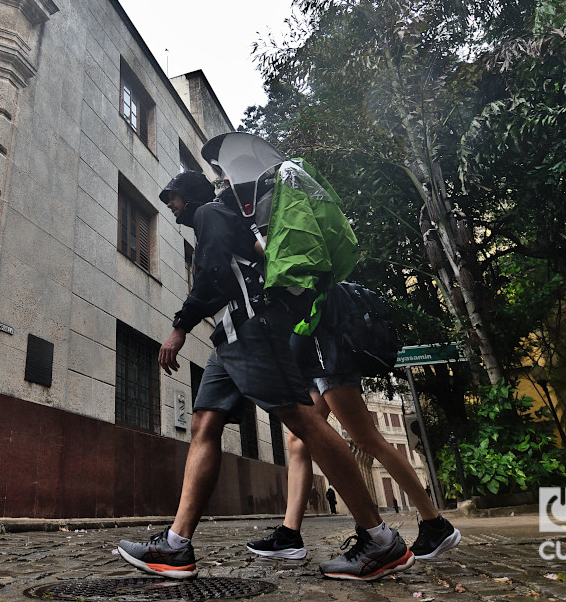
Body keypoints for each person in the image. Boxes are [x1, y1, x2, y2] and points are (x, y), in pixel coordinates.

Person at [116, 140, 412, 582]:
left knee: (304, 421)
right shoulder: (222, 220)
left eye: (172, 197)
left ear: (191, 195)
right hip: (228, 333)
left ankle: (379, 538)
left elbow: (216, 272)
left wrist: (180, 325)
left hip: (250, 325)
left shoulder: (209, 214)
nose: (171, 206)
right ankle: (176, 546)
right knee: (204, 423)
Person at [251, 148, 460, 563]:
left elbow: (300, 278)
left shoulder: (303, 228)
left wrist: (262, 250)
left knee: (366, 438)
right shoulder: (298, 222)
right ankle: (291, 534)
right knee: (298, 439)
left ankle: (435, 524)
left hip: (326, 347)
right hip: (312, 349)